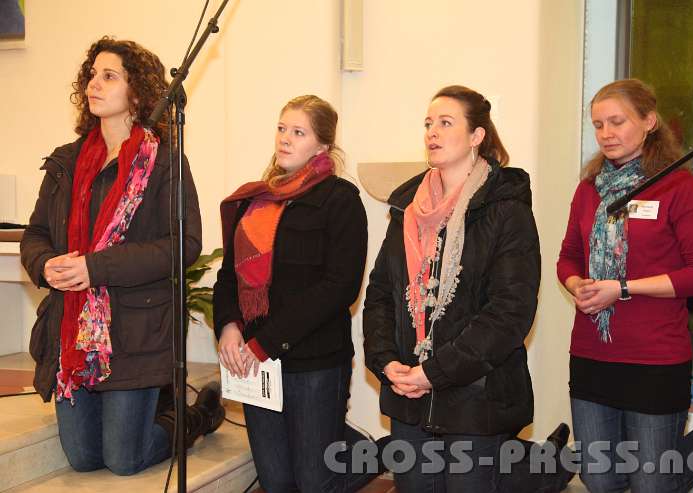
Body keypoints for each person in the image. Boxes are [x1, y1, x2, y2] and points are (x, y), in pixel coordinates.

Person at [20, 37, 223, 476]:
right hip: (72, 330)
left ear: (137, 92)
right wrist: (44, 264)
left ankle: (194, 418)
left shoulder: (165, 162)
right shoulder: (66, 161)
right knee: (84, 458)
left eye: (108, 76)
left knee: (123, 460)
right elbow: (35, 234)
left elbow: (181, 246)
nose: (94, 83)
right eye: (92, 74)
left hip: (135, 330)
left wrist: (93, 268)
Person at [363, 85, 573, 492]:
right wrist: (386, 361)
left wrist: (435, 373)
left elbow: (509, 313)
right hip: (409, 396)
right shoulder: (406, 208)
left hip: (478, 401)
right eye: (428, 124)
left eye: (445, 123)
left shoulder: (507, 209)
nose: (432, 133)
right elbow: (380, 295)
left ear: (477, 136)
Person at [557, 78, 693, 492]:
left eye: (617, 121)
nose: (606, 134)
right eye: (598, 125)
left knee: (652, 482)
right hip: (592, 354)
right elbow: (568, 256)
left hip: (655, 359)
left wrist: (624, 288)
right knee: (598, 477)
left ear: (649, 121)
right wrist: (577, 282)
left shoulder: (678, 187)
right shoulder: (589, 190)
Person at [214, 95, 378, 492]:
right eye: (282, 128)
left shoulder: (339, 199)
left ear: (322, 145)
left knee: (313, 481)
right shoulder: (252, 201)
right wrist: (229, 326)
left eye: (298, 132)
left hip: (314, 361)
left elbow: (340, 287)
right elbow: (228, 276)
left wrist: (267, 342)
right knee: (275, 481)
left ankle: (372, 453)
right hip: (255, 362)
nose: (285, 139)